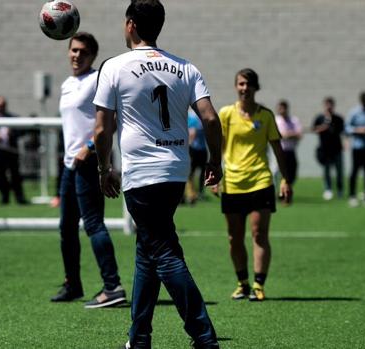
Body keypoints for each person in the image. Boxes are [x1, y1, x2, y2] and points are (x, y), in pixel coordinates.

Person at [93, 1, 222, 347]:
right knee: (148, 250)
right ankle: (139, 337)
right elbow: (210, 118)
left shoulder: (114, 67)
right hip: (176, 171)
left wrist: (104, 167)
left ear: (131, 24)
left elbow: (102, 128)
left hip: (141, 173)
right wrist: (215, 161)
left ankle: (204, 336)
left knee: (164, 253)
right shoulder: (185, 67)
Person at [49, 32, 126, 308]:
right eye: (73, 50)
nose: (76, 55)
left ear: (92, 55)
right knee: (66, 229)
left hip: (89, 163)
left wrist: (91, 147)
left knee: (93, 224)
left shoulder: (97, 80)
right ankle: (73, 284)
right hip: (70, 165)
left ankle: (112, 286)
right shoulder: (67, 84)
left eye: (82, 51)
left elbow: (113, 120)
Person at [216, 68, 292, 304]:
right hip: (232, 183)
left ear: (256, 87)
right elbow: (218, 145)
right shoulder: (226, 114)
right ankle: (242, 283)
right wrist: (216, 174)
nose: (244, 88)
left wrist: (286, 180)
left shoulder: (266, 116)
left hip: (260, 182)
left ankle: (258, 284)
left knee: (259, 234)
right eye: (240, 84)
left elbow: (278, 150)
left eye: (248, 84)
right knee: (234, 238)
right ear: (235, 87)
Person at [0, 96, 28, 205]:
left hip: (11, 151)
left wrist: (12, 133)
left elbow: (22, 132)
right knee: (1, 176)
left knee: (15, 175)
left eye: (3, 105)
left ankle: (20, 198)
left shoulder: (12, 117)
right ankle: (4, 198)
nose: (1, 107)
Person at [313, 97, 345, 200]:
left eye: (330, 105)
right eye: (327, 105)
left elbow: (342, 131)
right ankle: (328, 189)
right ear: (324, 106)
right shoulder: (319, 118)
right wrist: (324, 126)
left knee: (339, 170)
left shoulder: (338, 118)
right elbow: (314, 129)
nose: (329, 107)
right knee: (326, 170)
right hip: (325, 149)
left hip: (336, 149)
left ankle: (340, 190)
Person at [274, 99, 302, 187]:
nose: (281, 110)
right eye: (279, 108)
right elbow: (277, 135)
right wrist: (288, 134)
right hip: (279, 151)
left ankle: (287, 190)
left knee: (292, 173)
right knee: (276, 172)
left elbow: (299, 134)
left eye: (283, 108)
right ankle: (278, 191)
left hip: (290, 151)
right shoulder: (276, 121)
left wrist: (287, 135)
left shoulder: (294, 120)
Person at [185, 110, 207, 204]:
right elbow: (192, 133)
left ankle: (195, 193)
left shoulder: (194, 116)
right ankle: (193, 194)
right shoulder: (194, 117)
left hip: (197, 149)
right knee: (193, 173)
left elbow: (192, 133)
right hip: (196, 149)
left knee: (195, 173)